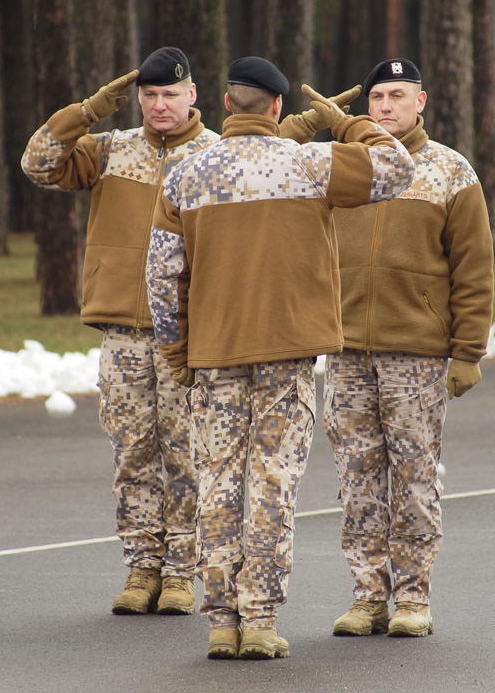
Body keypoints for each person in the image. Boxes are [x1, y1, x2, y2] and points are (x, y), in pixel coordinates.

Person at [145, 57, 416, 660]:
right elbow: (398, 166)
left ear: (222, 104)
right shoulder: (310, 163)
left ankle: (221, 621)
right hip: (287, 355)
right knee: (272, 486)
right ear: (275, 107)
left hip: (213, 356)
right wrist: (342, 124)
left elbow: (163, 275)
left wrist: (176, 351)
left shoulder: (186, 174)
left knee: (218, 483)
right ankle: (260, 620)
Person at [20, 47, 219, 616]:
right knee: (132, 451)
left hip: (185, 333)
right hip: (123, 335)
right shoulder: (111, 150)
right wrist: (84, 112)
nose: (160, 105)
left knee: (186, 452)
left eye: (170, 95)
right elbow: (37, 164)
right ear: (137, 98)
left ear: (192, 95)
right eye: (150, 95)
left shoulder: (214, 156)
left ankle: (182, 571)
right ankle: (141, 567)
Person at [324, 58, 494, 639]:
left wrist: (468, 349)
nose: (386, 106)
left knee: (414, 474)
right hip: (344, 350)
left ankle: (413, 598)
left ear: (421, 102)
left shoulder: (450, 171)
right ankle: (367, 595)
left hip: (415, 354)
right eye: (377, 97)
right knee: (356, 477)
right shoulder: (344, 169)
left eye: (399, 95)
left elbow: (473, 268)